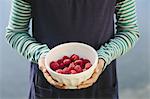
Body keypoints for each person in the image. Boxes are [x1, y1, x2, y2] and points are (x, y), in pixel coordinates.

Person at [5, 0, 140, 99]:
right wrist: (41, 55)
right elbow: (16, 32)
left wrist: (103, 57)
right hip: (47, 86)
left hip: (101, 85)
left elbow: (129, 31)